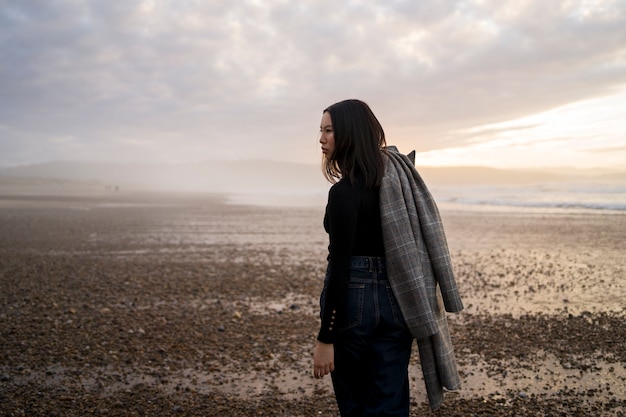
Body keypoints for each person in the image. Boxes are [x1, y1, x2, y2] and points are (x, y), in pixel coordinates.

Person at [312, 99, 464, 416]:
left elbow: (338, 269)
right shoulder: (396, 181)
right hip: (399, 297)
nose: (321, 139)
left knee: (355, 404)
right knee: (390, 401)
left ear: (349, 134)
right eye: (322, 131)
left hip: (353, 300)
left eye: (329, 131)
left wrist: (325, 338)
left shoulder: (343, 193)